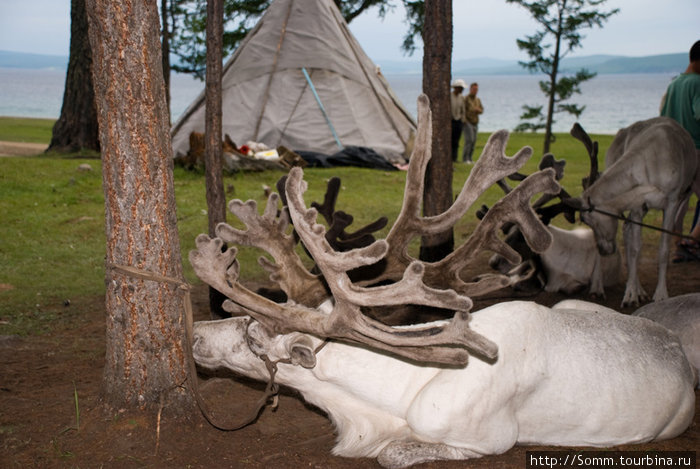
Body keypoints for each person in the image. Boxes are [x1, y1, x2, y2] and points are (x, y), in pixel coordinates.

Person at [661, 40, 700, 262]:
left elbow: (665, 118)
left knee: (678, 201)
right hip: (696, 149)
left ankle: (677, 243)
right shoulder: (697, 83)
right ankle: (691, 241)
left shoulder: (674, 84)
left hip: (676, 152)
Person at [462, 82, 484, 163]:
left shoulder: (478, 100)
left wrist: (478, 110)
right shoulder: (466, 99)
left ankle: (470, 158)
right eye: (474, 89)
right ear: (470, 89)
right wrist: (464, 120)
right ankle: (465, 159)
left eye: (476, 89)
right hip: (468, 122)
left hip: (475, 122)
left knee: (474, 141)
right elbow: (463, 110)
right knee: (469, 140)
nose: (475, 91)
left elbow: (482, 110)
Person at [450, 79, 466, 162]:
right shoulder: (449, 96)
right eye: (461, 88)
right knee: (450, 140)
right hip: (451, 121)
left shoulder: (462, 97)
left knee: (456, 141)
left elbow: (463, 110)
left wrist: (463, 120)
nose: (462, 90)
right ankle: (449, 157)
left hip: (458, 121)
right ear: (456, 88)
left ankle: (454, 158)